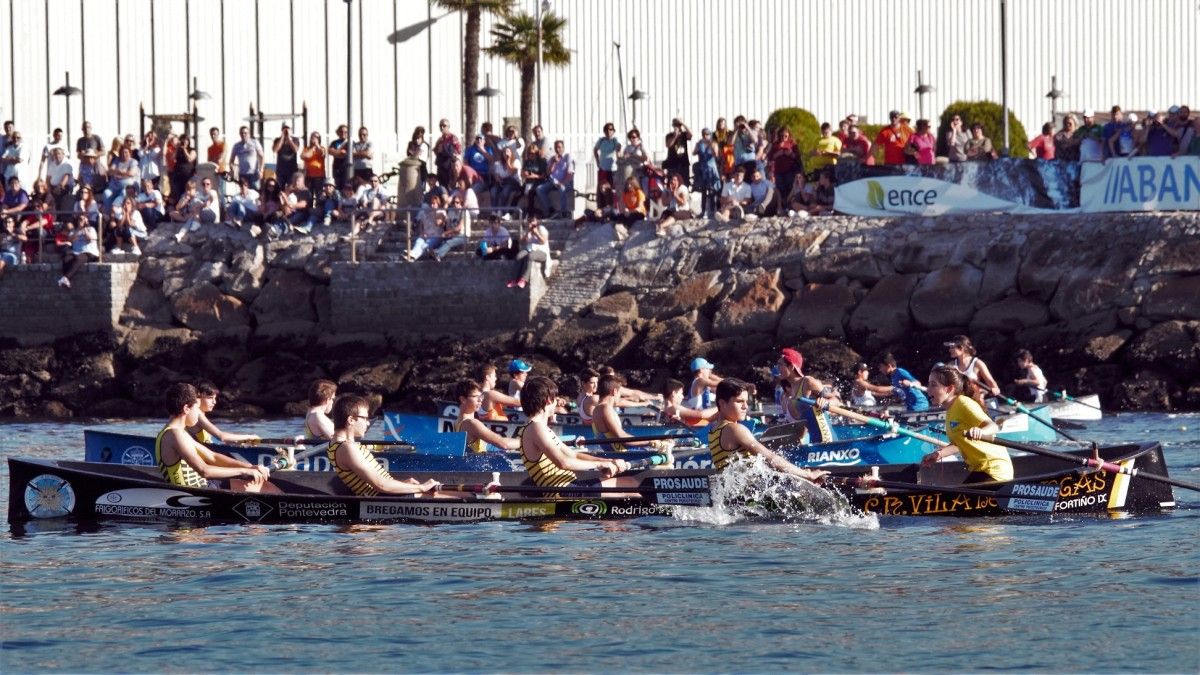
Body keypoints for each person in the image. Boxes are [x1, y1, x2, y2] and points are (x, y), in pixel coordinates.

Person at [328, 394, 463, 497]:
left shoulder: (337, 445)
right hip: (386, 500)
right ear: (351, 420)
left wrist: (404, 484)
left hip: (389, 496)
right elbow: (381, 485)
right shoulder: (347, 448)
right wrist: (422, 487)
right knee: (466, 497)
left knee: (465, 495)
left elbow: (380, 482)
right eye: (365, 418)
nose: (368, 423)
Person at [517, 375, 637, 490]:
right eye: (555, 398)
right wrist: (599, 465)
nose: (556, 402)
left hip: (570, 486)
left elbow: (573, 455)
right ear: (549, 400)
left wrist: (608, 461)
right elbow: (563, 462)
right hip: (562, 492)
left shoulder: (540, 428)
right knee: (631, 484)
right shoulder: (536, 428)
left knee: (629, 483)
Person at [155, 382, 278, 492]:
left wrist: (250, 467)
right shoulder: (175, 435)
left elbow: (213, 457)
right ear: (186, 408)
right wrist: (244, 471)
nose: (198, 414)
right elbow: (205, 471)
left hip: (206, 485)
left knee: (265, 486)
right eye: (196, 408)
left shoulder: (177, 432)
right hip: (197, 493)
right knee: (266, 488)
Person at [708, 378, 829, 483]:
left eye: (746, 401)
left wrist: (799, 473)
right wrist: (808, 475)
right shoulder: (735, 429)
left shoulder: (713, 431)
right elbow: (770, 458)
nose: (745, 406)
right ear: (722, 403)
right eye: (739, 401)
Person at [920, 366, 1012, 483]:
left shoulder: (963, 403)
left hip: (995, 469)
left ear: (949, 389)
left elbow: (993, 426)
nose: (928, 390)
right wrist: (938, 454)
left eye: (933, 385)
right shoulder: (950, 411)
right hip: (979, 469)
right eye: (929, 385)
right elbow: (959, 444)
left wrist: (981, 432)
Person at [589, 373, 674, 454]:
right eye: (620, 393)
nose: (620, 396)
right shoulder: (605, 409)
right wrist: (651, 442)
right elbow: (622, 437)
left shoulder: (597, 409)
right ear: (614, 391)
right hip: (624, 455)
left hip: (616, 453)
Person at [776, 347, 839, 443]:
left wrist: (826, 402)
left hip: (826, 438)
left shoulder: (808, 382)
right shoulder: (790, 390)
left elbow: (836, 401)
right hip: (813, 439)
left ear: (791, 367)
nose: (777, 368)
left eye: (780, 364)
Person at [453, 380, 520, 454]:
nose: (480, 400)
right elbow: (504, 444)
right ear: (463, 399)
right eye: (475, 396)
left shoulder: (456, 422)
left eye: (480, 396)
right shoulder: (472, 423)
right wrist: (524, 441)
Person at [186, 381, 261, 445]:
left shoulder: (200, 414)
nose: (214, 402)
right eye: (210, 398)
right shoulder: (197, 414)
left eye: (214, 398)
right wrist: (249, 437)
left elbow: (213, 439)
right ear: (198, 397)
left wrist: (237, 441)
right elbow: (221, 437)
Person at [945, 334, 1001, 402]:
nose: (949, 350)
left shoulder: (977, 363)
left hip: (975, 399)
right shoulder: (951, 365)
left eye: (952, 347)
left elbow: (991, 382)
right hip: (958, 400)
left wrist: (994, 389)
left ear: (961, 348)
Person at [506, 217, 550, 289]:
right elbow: (522, 241)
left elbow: (543, 241)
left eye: (533, 221)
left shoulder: (542, 229)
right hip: (530, 249)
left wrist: (536, 233)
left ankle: (524, 279)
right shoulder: (528, 230)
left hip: (542, 251)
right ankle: (514, 279)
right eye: (529, 221)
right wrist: (528, 233)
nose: (531, 223)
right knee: (519, 256)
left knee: (530, 256)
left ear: (536, 221)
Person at [56, 215, 99, 289]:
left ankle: (65, 278)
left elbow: (89, 239)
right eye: (80, 219)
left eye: (83, 219)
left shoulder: (91, 229)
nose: (81, 220)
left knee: (79, 258)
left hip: (89, 252)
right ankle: (67, 281)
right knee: (66, 258)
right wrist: (79, 229)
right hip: (76, 252)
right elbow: (70, 240)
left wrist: (84, 228)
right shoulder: (74, 231)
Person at [663, 118, 692, 185]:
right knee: (672, 182)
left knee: (685, 183)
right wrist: (675, 136)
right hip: (673, 163)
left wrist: (683, 123)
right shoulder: (669, 135)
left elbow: (691, 134)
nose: (677, 126)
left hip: (683, 163)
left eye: (678, 125)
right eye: (675, 125)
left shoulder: (684, 135)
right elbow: (668, 145)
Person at [301, 131, 327, 197]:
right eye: (313, 136)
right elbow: (304, 156)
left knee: (319, 194)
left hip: (319, 176)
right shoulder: (307, 149)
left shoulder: (322, 148)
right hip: (308, 175)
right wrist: (313, 148)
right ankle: (309, 207)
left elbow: (322, 153)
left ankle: (319, 207)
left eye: (317, 137)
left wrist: (317, 145)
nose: (314, 138)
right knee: (309, 195)